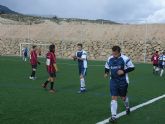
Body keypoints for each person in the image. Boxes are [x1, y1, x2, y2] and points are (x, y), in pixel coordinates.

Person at [104, 46, 135, 123]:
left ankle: (127, 107)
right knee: (114, 97)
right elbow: (107, 67)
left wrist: (123, 71)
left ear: (119, 52)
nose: (113, 55)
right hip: (113, 80)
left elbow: (132, 67)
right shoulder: (109, 58)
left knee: (123, 97)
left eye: (115, 53)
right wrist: (106, 73)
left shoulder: (125, 58)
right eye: (113, 53)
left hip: (123, 81)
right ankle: (113, 116)